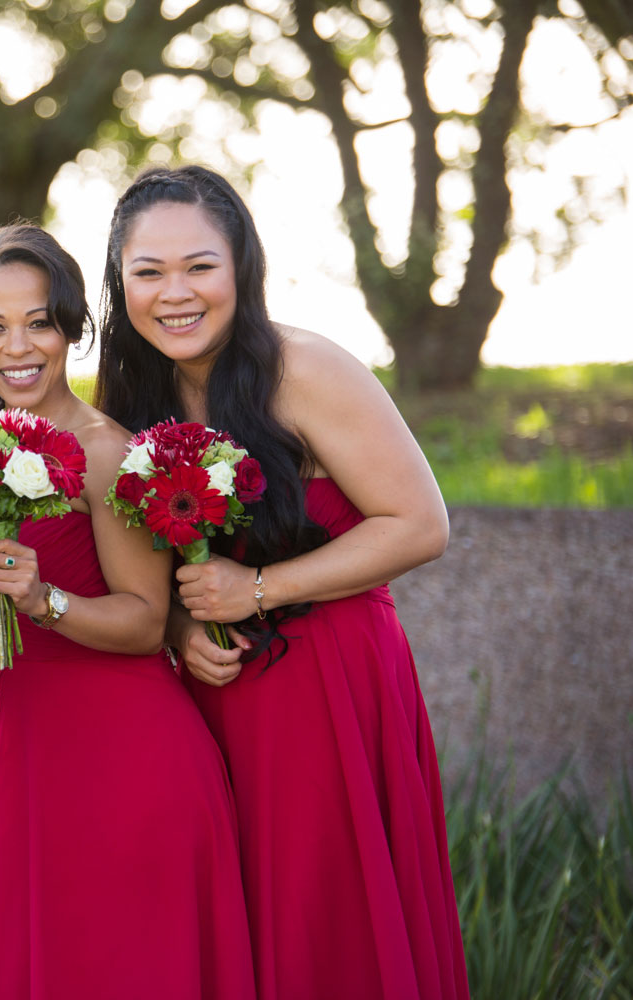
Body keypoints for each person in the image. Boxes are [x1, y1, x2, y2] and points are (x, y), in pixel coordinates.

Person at [96, 164, 467, 1000]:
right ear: (120, 284)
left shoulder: (302, 367)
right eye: (147, 272)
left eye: (200, 266)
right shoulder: (132, 393)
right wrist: (180, 630)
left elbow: (419, 524)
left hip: (329, 682)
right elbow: (149, 566)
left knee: (325, 921)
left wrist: (256, 592)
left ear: (242, 268)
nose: (174, 293)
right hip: (214, 697)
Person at [0, 223, 254, 1000]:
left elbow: (142, 623)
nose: (18, 346)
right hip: (33, 759)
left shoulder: (107, 451)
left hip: (133, 761)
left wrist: (44, 600)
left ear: (72, 327)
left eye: (39, 321)